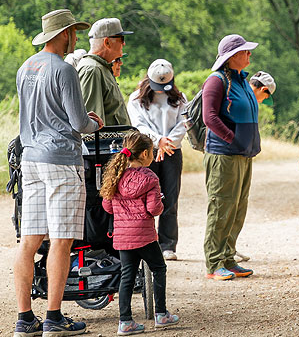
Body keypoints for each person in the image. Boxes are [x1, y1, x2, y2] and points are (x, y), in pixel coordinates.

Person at [13, 9, 103, 337]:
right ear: (64, 34)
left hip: (31, 159)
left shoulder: (26, 67)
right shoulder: (64, 70)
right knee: (62, 240)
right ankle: (53, 317)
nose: (76, 38)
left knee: (29, 241)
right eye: (74, 33)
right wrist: (96, 123)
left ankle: (25, 319)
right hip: (62, 161)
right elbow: (79, 123)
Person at [100, 133, 182, 335]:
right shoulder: (150, 178)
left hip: (123, 237)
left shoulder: (115, 175)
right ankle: (161, 314)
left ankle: (125, 321)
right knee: (159, 268)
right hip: (144, 236)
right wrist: (161, 203)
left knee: (127, 276)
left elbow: (107, 206)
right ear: (145, 154)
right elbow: (154, 209)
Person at [201, 34, 262, 281]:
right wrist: (232, 139)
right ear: (232, 56)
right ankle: (214, 263)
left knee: (237, 207)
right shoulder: (216, 81)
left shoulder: (242, 81)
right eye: (245, 51)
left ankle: (228, 257)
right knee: (221, 206)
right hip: (223, 155)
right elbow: (209, 117)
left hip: (243, 155)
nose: (249, 55)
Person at [126, 59, 188, 261]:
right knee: (146, 198)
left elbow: (184, 122)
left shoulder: (179, 98)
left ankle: (168, 244)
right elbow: (138, 124)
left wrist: (167, 142)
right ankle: (145, 242)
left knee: (170, 198)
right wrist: (157, 140)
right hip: (147, 152)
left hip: (171, 151)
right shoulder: (136, 98)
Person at [78, 18, 133, 126]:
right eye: (121, 39)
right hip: (106, 142)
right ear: (107, 42)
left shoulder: (101, 68)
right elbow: (92, 127)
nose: (124, 43)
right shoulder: (92, 70)